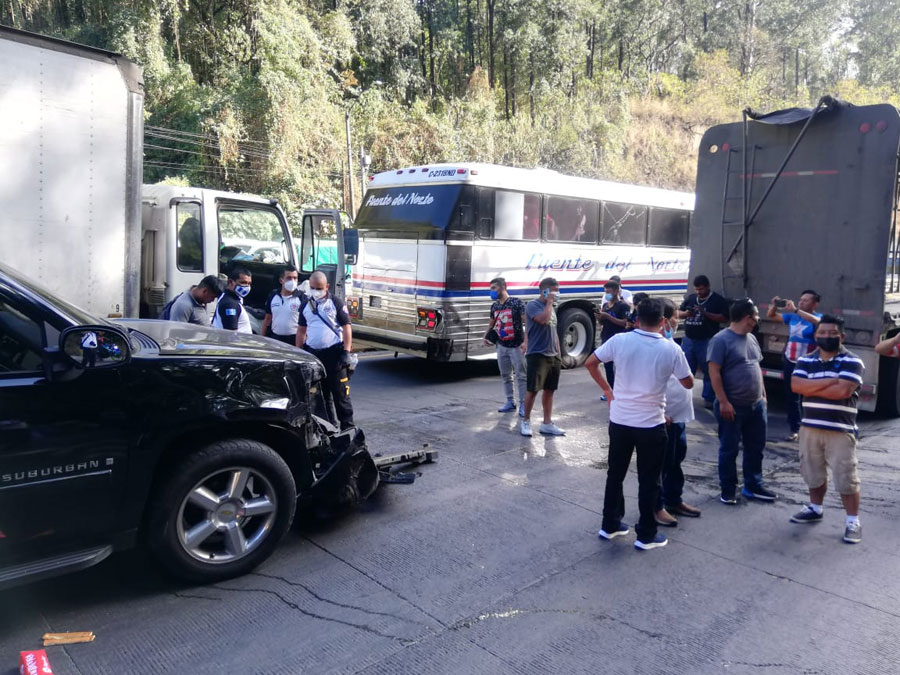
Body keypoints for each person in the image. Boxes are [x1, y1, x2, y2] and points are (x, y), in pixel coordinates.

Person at [585, 298, 693, 551]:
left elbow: (591, 362)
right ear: (663, 321)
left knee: (615, 474)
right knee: (649, 479)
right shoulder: (671, 349)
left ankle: (610, 524)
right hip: (651, 424)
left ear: (636, 317)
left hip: (620, 420)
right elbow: (688, 382)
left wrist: (608, 389)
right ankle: (646, 534)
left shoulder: (620, 341)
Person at [788, 316, 865, 544]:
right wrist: (831, 381)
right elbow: (796, 387)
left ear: (842, 337)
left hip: (840, 431)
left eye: (833, 334)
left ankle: (853, 521)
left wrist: (812, 387)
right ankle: (815, 508)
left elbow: (842, 392)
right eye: (823, 333)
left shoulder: (853, 361)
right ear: (815, 335)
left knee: (846, 477)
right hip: (810, 428)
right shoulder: (804, 359)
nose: (827, 337)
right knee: (812, 472)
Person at [707, 298, 776, 504]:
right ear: (747, 317)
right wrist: (724, 402)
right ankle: (728, 490)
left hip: (756, 406)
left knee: (755, 448)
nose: (757, 319)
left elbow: (756, 368)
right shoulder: (720, 340)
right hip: (732, 406)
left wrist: (763, 396)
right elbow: (714, 373)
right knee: (729, 450)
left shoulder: (751, 338)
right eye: (755, 315)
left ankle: (753, 486)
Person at [656, 299, 701, 527]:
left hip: (678, 414)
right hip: (664, 416)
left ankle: (674, 500)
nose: (678, 319)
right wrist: (658, 412)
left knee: (676, 460)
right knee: (661, 464)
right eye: (675, 316)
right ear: (664, 320)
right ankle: (658, 506)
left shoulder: (670, 340)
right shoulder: (655, 345)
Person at [296, 270, 355, 429]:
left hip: (334, 355)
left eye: (319, 288)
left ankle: (348, 428)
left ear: (327, 286)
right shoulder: (306, 305)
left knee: (340, 395)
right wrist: (298, 353)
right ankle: (329, 428)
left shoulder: (335, 303)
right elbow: (301, 330)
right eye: (313, 287)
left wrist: (346, 352)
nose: (316, 291)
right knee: (320, 396)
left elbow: (347, 327)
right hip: (314, 355)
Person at [767, 290, 822, 441]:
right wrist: (774, 306)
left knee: (811, 396)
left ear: (815, 304)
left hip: (808, 363)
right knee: (792, 396)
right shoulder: (792, 316)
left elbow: (818, 323)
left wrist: (796, 310)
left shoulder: (818, 318)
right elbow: (771, 316)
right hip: (790, 360)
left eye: (806, 301)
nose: (801, 302)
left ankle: (813, 427)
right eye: (800, 300)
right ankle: (795, 428)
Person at [521, 277, 565, 437]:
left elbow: (553, 329)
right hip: (537, 354)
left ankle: (547, 423)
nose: (557, 294)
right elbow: (542, 320)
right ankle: (525, 421)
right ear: (544, 291)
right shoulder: (533, 305)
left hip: (553, 355)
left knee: (550, 390)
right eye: (554, 291)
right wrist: (549, 303)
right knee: (532, 390)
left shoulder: (551, 307)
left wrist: (559, 354)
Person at [678, 274, 730, 408]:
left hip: (707, 340)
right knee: (686, 368)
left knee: (709, 369)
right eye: (696, 289)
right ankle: (683, 395)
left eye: (701, 289)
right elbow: (677, 313)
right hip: (689, 339)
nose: (698, 292)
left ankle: (709, 397)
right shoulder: (691, 298)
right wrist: (687, 314)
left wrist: (705, 313)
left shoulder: (717, 300)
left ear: (707, 287)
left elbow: (724, 318)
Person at [483, 277, 527, 416]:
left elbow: (527, 322)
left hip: (516, 346)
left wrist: (526, 341)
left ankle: (524, 404)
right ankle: (510, 401)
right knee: (505, 375)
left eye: (493, 288)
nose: (492, 292)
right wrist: (485, 336)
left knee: (521, 375)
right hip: (501, 345)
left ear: (502, 287)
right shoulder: (495, 306)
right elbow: (492, 323)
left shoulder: (516, 303)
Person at [595, 280, 630, 398]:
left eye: (609, 291)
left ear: (616, 291)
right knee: (608, 367)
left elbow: (624, 323)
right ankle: (611, 390)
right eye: (605, 292)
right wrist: (600, 317)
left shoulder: (622, 306)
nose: (607, 294)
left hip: (619, 340)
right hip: (606, 339)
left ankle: (622, 391)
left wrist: (608, 317)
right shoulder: (605, 306)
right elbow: (603, 322)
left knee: (620, 367)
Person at [262, 265, 303, 346]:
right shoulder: (273, 295)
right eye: (289, 278)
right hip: (275, 339)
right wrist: (262, 339)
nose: (293, 281)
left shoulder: (302, 298)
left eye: (295, 278)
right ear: (281, 280)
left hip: (293, 340)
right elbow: (267, 318)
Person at [213, 267, 253, 334]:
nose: (247, 287)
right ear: (231, 282)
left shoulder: (229, 297)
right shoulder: (230, 304)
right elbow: (231, 334)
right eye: (243, 282)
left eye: (249, 283)